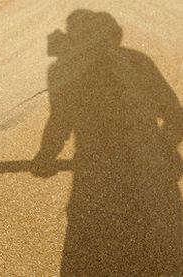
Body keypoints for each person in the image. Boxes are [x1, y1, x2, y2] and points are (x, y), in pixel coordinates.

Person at [32, 9, 183, 275]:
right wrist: (164, 147)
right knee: (157, 248)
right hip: (140, 173)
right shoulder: (135, 61)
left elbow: (59, 123)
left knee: (100, 252)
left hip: (105, 177)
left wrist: (45, 158)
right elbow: (174, 112)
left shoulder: (67, 69)